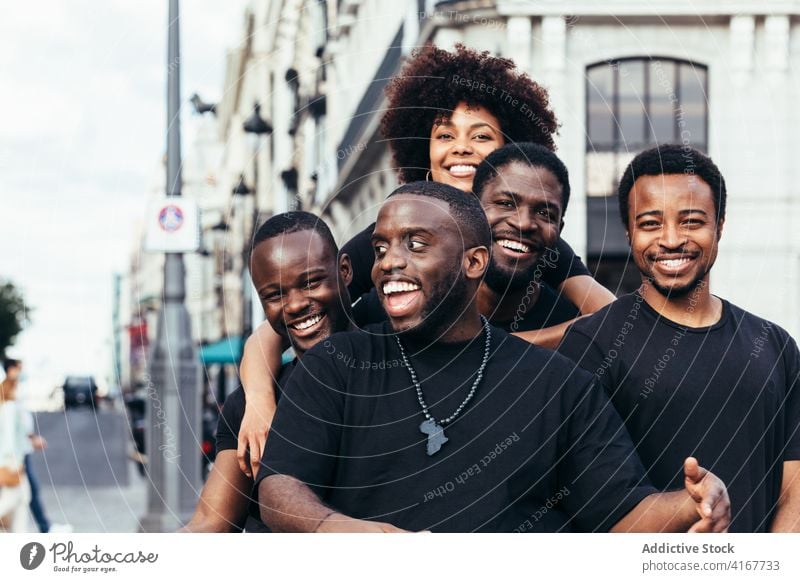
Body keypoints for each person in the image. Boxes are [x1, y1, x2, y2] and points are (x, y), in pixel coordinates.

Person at [256, 181, 730, 533]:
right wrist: (334, 529)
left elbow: (621, 514)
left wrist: (693, 505)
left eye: (414, 244)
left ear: (474, 262)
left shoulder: (558, 384)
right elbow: (279, 489)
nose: (387, 262)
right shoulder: (336, 364)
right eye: (381, 248)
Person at [235, 44, 617, 478]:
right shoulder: (389, 235)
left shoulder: (523, 232)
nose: (460, 149)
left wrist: (506, 350)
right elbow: (275, 329)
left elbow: (613, 319)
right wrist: (259, 403)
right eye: (444, 135)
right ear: (423, 146)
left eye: (480, 135)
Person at [558, 145, 800, 532]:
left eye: (691, 221)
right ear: (629, 232)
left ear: (719, 225)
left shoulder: (775, 344)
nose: (671, 239)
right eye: (651, 223)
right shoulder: (592, 344)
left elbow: (795, 486)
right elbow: (589, 504)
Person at [181, 212, 353, 532]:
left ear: (345, 271)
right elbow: (209, 523)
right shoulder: (247, 406)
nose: (295, 304)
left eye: (311, 282)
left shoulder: (392, 364)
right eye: (275, 295)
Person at [352, 142, 581, 332]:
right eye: (505, 203)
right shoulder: (396, 304)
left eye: (544, 213)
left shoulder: (571, 320)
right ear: (472, 209)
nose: (523, 223)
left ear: (559, 229)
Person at [0, 359, 31, 532]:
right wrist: (14, 462)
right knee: (15, 498)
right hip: (11, 460)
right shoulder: (11, 408)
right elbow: (9, 439)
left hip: (11, 458)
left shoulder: (7, 406)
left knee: (23, 498)